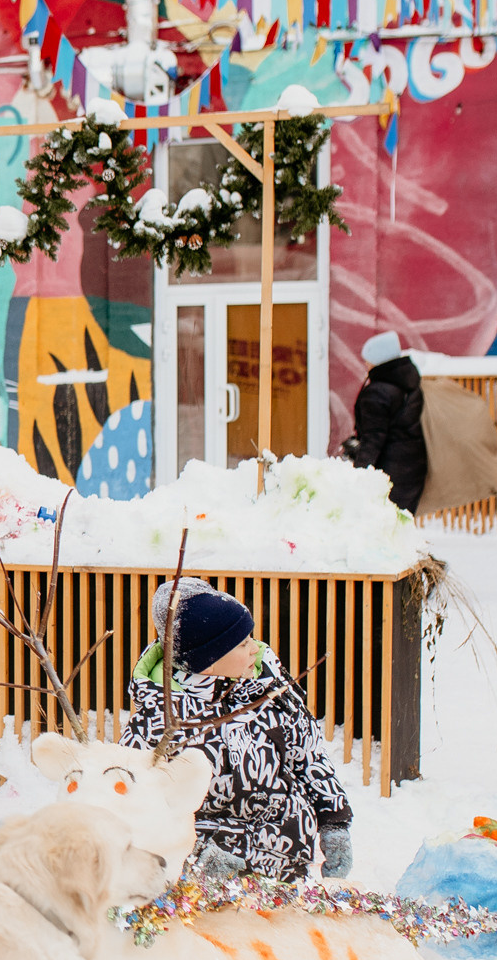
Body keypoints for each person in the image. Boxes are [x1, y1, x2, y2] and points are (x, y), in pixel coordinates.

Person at [121, 581, 353, 883]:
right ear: (208, 661)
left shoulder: (271, 691)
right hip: (207, 877)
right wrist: (197, 858)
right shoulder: (158, 722)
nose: (255, 648)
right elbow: (136, 805)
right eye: (242, 643)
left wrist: (334, 822)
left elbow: (309, 758)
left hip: (285, 862)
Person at [346, 330, 428, 512]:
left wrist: (360, 471)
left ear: (378, 360)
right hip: (413, 467)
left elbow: (373, 439)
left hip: (389, 471)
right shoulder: (409, 384)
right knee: (401, 524)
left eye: (368, 359)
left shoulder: (377, 393)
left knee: (383, 524)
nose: (366, 364)